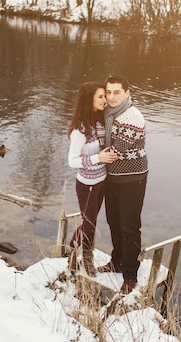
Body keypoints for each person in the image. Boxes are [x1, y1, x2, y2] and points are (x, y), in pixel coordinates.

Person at [97, 74, 148, 294]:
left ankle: (130, 275)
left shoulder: (132, 116)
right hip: (112, 178)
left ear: (127, 93)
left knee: (129, 227)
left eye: (117, 92)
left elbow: (115, 152)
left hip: (132, 178)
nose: (111, 96)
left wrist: (89, 157)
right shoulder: (108, 113)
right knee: (113, 222)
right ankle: (116, 261)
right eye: (108, 92)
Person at [67, 81, 117, 277]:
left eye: (105, 96)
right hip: (87, 185)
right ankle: (76, 254)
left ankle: (84, 257)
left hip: (102, 182)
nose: (105, 100)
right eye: (100, 97)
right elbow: (72, 161)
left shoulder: (101, 121)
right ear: (89, 100)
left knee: (92, 223)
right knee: (89, 225)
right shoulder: (80, 129)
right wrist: (99, 158)